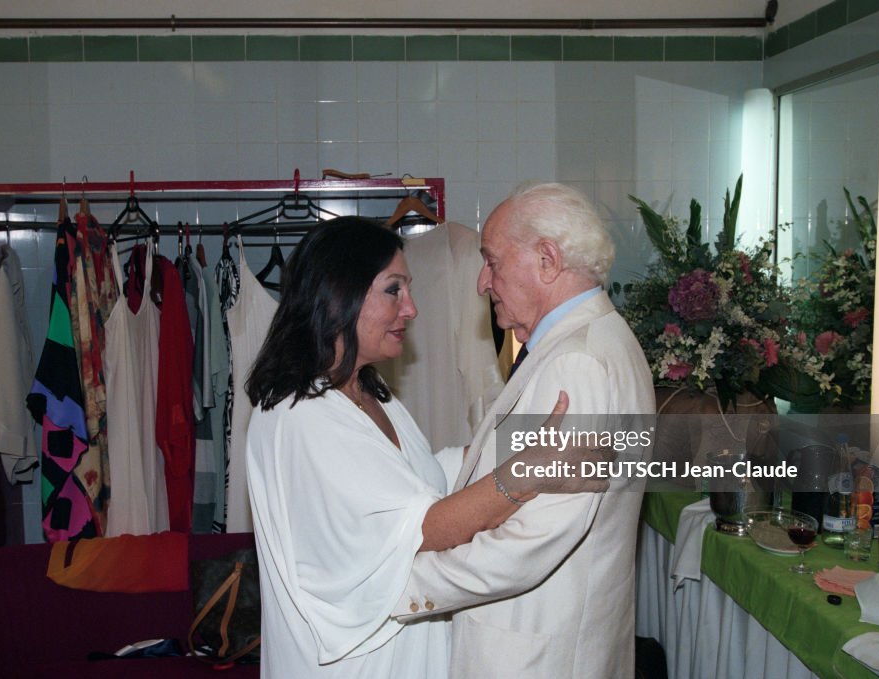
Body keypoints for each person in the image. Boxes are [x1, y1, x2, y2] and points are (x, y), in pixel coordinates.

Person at [244, 216, 609, 678]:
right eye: (393, 290)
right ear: (339, 293)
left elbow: (416, 481)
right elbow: (425, 528)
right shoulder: (301, 416)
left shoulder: (367, 392)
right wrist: (526, 472)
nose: (412, 309)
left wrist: (511, 443)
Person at [396, 182, 656, 678]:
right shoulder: (599, 339)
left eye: (491, 261)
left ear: (547, 260)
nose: (481, 282)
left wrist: (399, 584)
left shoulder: (577, 362)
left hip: (536, 655)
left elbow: (530, 541)